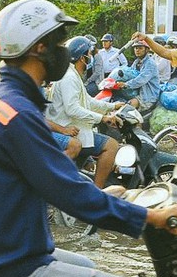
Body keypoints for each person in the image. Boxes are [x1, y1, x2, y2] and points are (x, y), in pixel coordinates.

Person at [0, 0, 177, 277]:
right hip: (3, 263)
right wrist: (151, 217)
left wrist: (99, 192)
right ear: (39, 47)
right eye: (59, 41)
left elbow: (48, 174)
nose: (64, 50)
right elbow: (67, 194)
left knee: (86, 266)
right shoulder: (18, 113)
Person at [46, 35, 123, 188]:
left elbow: (87, 100)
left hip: (76, 127)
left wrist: (112, 107)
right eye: (89, 53)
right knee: (111, 145)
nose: (91, 56)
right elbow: (72, 108)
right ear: (82, 58)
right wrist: (102, 118)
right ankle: (97, 192)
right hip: (70, 129)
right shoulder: (69, 77)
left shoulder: (73, 74)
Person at [117, 40, 160, 111]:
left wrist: (126, 84)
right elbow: (130, 73)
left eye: (140, 48)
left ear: (146, 50)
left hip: (147, 96)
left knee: (128, 108)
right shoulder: (136, 62)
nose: (137, 50)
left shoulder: (150, 63)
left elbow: (142, 79)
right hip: (136, 92)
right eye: (136, 48)